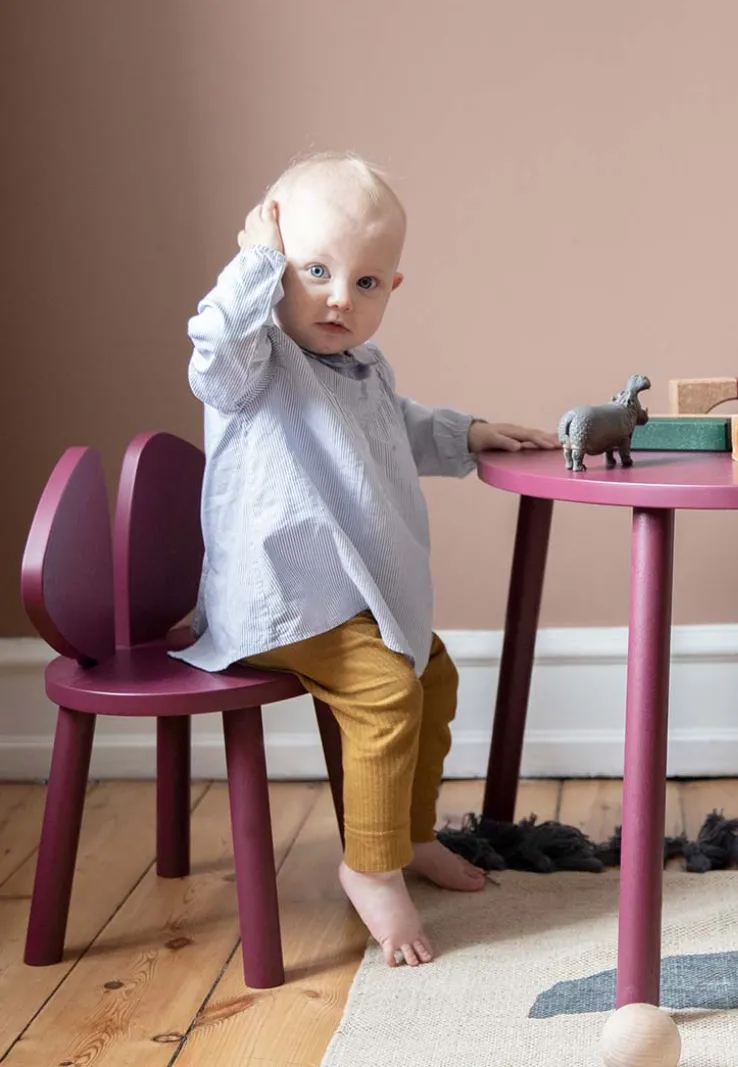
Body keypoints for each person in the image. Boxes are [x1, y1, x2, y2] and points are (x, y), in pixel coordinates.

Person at [173, 151, 557, 967]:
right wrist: (252, 265)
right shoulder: (255, 364)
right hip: (279, 599)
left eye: (366, 282)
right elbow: (211, 352)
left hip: (348, 597)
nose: (339, 298)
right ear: (275, 264)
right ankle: (369, 865)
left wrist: (466, 433)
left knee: (432, 671)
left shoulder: (362, 368)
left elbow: (396, 427)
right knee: (386, 690)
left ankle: (409, 833)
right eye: (313, 270)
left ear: (393, 288)